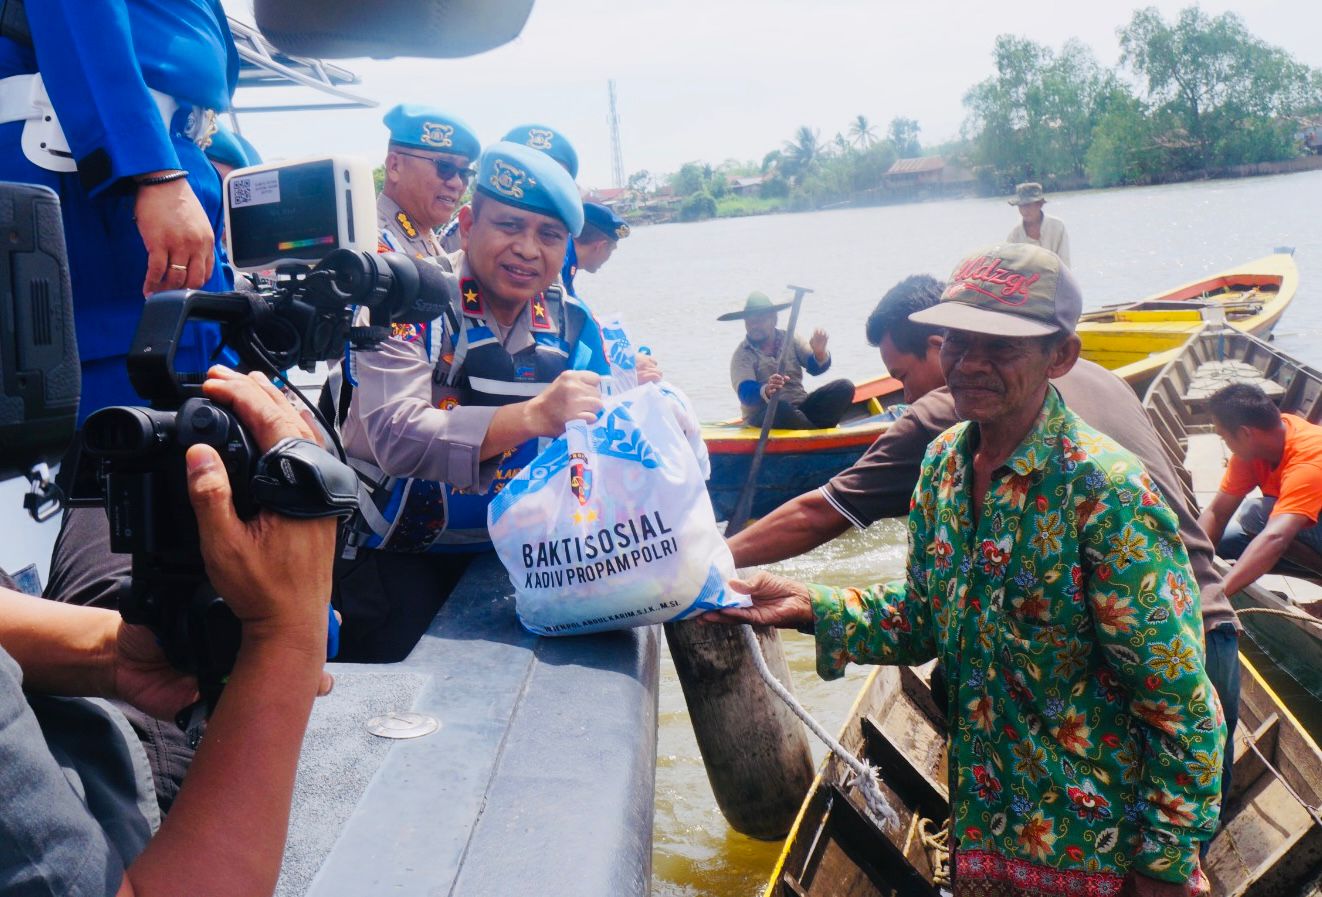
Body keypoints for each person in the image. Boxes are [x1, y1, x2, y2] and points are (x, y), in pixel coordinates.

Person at [709, 244, 1223, 896]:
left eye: (1002, 345)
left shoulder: (1105, 491)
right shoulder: (945, 464)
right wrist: (809, 603)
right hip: (986, 836)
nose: (970, 362)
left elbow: (1183, 707)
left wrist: (1166, 866)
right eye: (957, 339)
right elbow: (927, 615)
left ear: (1059, 356)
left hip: (1094, 854)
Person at [0, 366, 337, 897]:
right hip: (106, 798)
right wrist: (286, 640)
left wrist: (111, 655)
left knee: (108, 511)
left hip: (61, 683)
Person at [336, 141, 658, 662]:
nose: (528, 250)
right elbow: (394, 433)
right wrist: (534, 415)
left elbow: (610, 442)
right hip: (394, 560)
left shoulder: (575, 321)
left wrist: (641, 403)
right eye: (509, 226)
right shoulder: (404, 301)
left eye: (549, 235)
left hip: (521, 558)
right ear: (467, 226)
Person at [0, 0, 239, 421]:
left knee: (194, 397)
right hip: (90, 172)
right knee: (114, 418)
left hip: (160, 166)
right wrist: (150, 168)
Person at [1200, 381, 1322, 590]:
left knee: (1254, 514)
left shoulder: (1310, 458)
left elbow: (1277, 536)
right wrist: (1189, 560)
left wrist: (1219, 592)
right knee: (1223, 542)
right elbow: (1217, 513)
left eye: (1224, 436)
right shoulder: (1251, 452)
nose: (1225, 444)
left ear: (1245, 433)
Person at [722, 291, 854, 430]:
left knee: (845, 387)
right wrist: (766, 389)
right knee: (780, 408)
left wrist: (820, 353)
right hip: (764, 417)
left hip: (799, 407)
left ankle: (809, 429)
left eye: (760, 320)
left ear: (773, 319)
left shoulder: (790, 338)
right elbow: (745, 392)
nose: (754, 326)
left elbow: (815, 368)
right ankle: (814, 432)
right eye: (750, 322)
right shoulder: (742, 354)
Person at [377, 103, 480, 264]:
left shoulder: (427, 239)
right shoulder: (372, 241)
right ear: (394, 166)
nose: (457, 183)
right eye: (445, 167)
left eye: (464, 173)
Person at [563, 201, 630, 296]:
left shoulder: (568, 257)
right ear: (600, 246)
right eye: (611, 250)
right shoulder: (560, 263)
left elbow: (571, 298)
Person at [1007, 182, 1070, 267]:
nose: (1024, 211)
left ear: (1039, 204)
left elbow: (1065, 262)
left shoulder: (1057, 227)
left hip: (1056, 276)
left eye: (1028, 205)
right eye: (1021, 206)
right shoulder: (1014, 236)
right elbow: (1012, 266)